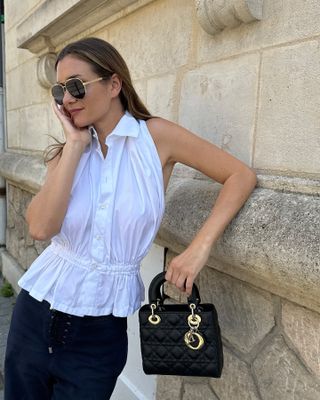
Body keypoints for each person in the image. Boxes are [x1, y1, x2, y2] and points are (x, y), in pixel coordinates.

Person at [4, 37, 256, 400]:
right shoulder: (67, 152)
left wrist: (199, 248)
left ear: (114, 84)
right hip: (36, 314)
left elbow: (240, 176)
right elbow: (41, 228)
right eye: (60, 91)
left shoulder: (156, 137)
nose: (67, 99)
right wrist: (74, 146)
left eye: (76, 86)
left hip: (100, 330)